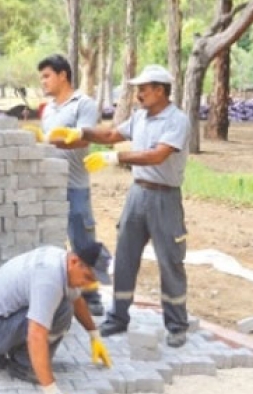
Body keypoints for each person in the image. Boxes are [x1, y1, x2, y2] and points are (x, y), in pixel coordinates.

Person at [48, 64, 191, 347]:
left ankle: (176, 325)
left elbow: (157, 156)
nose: (138, 94)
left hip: (165, 197)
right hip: (137, 194)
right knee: (125, 256)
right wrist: (81, 133)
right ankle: (118, 317)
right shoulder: (140, 117)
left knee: (170, 261)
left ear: (160, 90)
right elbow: (112, 136)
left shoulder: (177, 120)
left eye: (143, 89)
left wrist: (116, 159)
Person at [0, 234, 112, 394]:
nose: (88, 284)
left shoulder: (60, 260)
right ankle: (25, 366)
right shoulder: (49, 279)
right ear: (75, 262)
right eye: (88, 277)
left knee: (64, 303)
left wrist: (94, 335)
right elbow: (36, 334)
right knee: (63, 310)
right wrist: (50, 388)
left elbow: (77, 299)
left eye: (93, 281)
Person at [36, 54, 110, 316]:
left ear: (63, 75)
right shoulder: (49, 109)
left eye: (46, 76)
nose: (43, 82)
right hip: (50, 186)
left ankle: (91, 295)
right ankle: (65, 292)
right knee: (55, 242)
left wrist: (50, 140)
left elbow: (84, 139)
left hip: (75, 184)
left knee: (83, 241)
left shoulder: (83, 104)